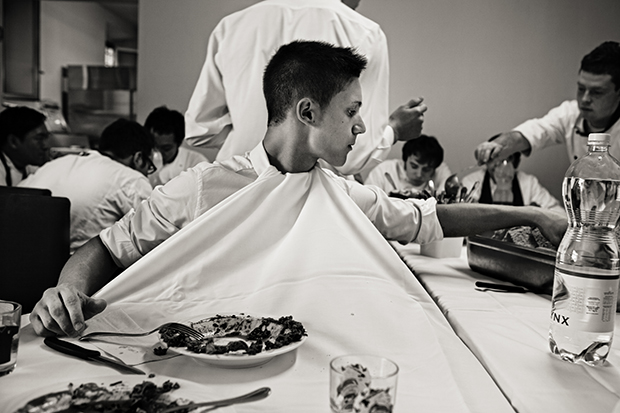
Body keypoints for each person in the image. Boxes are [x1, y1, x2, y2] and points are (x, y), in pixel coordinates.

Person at [30, 41, 567, 338]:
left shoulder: (337, 191)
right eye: (352, 112)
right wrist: (66, 291)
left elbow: (432, 219)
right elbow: (103, 248)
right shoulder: (200, 188)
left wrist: (537, 220)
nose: (361, 128)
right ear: (307, 112)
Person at [184, 0, 427, 177]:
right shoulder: (366, 33)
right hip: (312, 200)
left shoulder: (231, 26)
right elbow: (354, 157)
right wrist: (394, 130)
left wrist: (250, 135)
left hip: (233, 189)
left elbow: (200, 130)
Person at [19, 119, 156, 254]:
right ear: (138, 157)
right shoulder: (130, 179)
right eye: (149, 166)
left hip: (15, 258)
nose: (147, 173)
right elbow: (152, 238)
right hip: (72, 268)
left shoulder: (54, 165)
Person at [475, 41, 620, 167]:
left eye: (597, 92)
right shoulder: (570, 114)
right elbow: (535, 131)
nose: (584, 99)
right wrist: (498, 145)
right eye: (581, 89)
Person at [463, 135, 562, 211]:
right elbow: (463, 212)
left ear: (516, 162)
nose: (501, 166)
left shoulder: (529, 183)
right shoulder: (472, 181)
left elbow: (556, 212)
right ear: (487, 161)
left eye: (508, 158)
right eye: (496, 158)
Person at [365, 135, 451, 198]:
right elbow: (368, 202)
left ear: (434, 169)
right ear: (405, 160)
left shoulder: (441, 172)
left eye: (426, 169)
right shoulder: (384, 171)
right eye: (414, 166)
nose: (419, 174)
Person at [144, 106, 209, 187]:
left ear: (179, 143)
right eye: (154, 147)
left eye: (166, 149)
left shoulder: (196, 162)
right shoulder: (142, 161)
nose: (159, 153)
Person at [0, 106, 51, 186]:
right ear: (13, 141)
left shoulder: (29, 168)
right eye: (39, 138)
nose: (46, 146)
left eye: (46, 138)